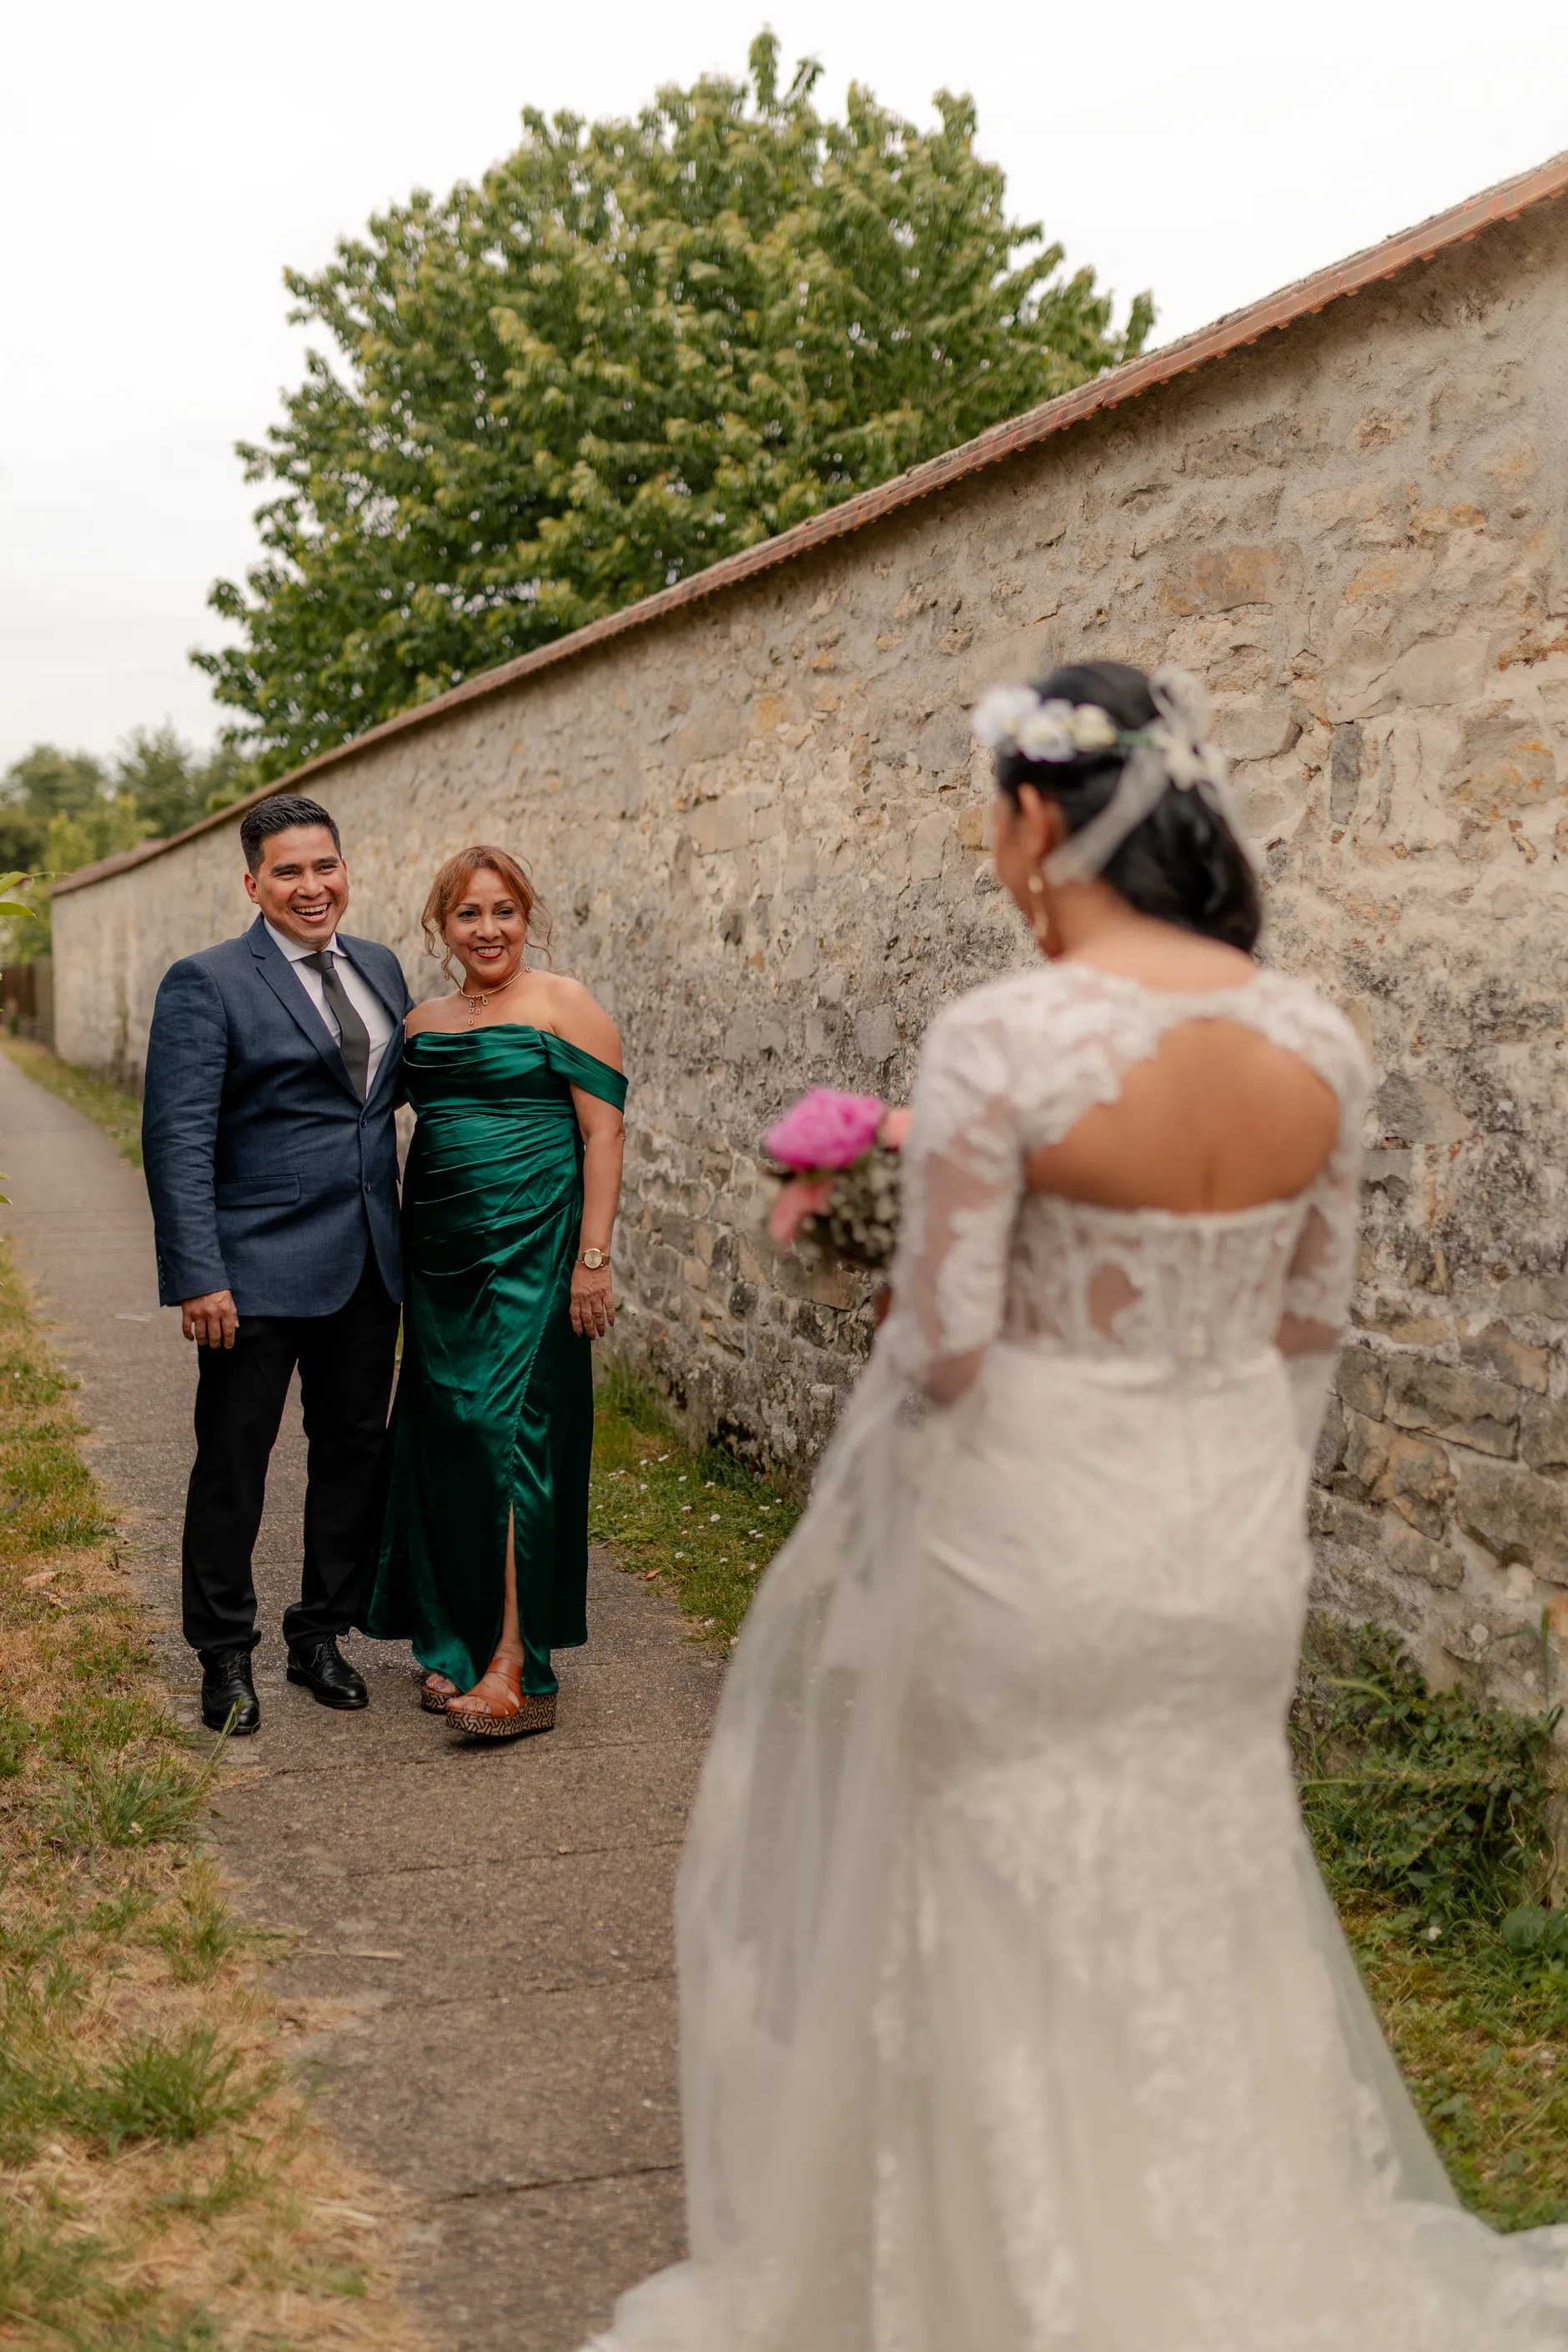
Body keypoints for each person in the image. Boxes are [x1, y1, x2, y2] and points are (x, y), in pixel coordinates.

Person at [585, 665, 1568, 2350]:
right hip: (1220, 1549)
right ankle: (1227, 2268)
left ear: (1040, 816)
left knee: (995, 1894)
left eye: (993, 812)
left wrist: (843, 1239)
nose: (991, 845)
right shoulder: (1314, 1037)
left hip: (1031, 1540)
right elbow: (1306, 1328)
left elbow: (948, 1349)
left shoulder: (1004, 1037)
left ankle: (1015, 2285)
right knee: (1203, 1884)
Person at [143, 792, 413, 1736]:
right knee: (234, 1465)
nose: (311, 887)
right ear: (252, 882)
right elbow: (175, 1137)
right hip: (250, 1272)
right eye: (289, 871)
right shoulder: (207, 981)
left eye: (325, 866)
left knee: (353, 1455)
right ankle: (224, 1656)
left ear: (346, 869)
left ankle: (319, 1635)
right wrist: (197, 1273)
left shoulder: (380, 966)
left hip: (370, 1262)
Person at [364, 846, 626, 1739]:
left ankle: (518, 1665)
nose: (487, 930)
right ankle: (448, 1642)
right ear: (443, 926)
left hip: (536, 1252)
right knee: (444, 1440)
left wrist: (593, 1260)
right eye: (468, 915)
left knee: (512, 1441)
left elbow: (603, 1136)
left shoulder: (567, 1005)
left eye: (503, 911)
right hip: (438, 1262)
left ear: (527, 916)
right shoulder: (420, 1023)